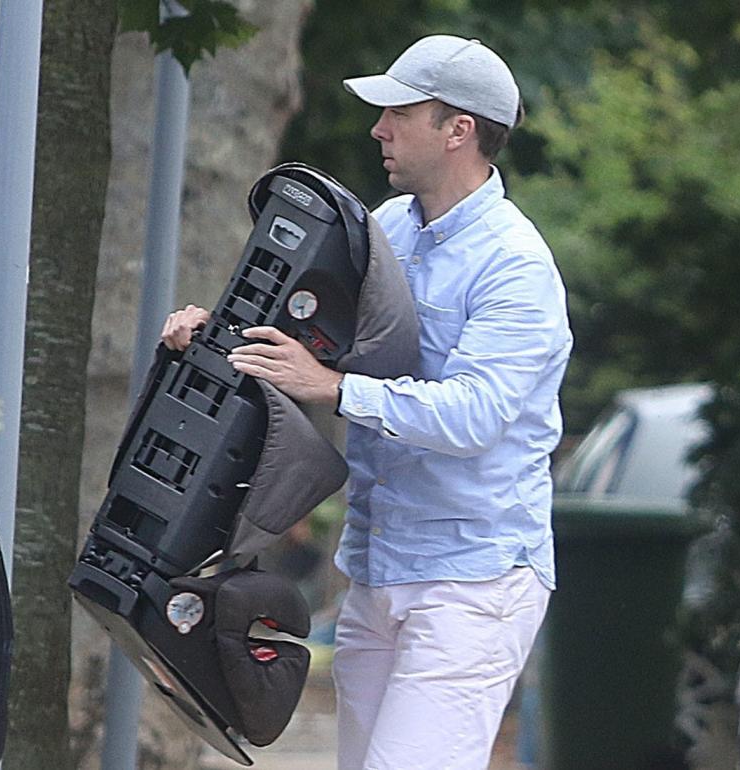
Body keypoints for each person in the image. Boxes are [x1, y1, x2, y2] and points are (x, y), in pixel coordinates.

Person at [162, 34, 572, 770]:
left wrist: (337, 389)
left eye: (399, 113)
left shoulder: (516, 267)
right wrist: (211, 338)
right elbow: (296, 338)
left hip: (471, 583)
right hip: (378, 567)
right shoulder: (385, 229)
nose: (379, 128)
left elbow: (474, 415)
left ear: (459, 130)